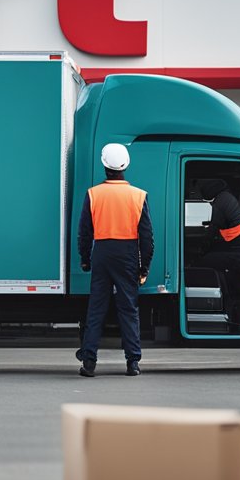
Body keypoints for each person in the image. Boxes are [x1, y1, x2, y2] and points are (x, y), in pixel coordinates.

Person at [76, 143, 154, 378]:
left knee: (96, 309)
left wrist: (85, 260)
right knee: (128, 309)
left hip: (102, 252)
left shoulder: (93, 194)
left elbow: (84, 232)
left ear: (104, 165)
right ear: (125, 166)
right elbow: (147, 237)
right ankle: (133, 362)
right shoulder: (138, 196)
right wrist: (144, 266)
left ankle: (89, 362)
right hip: (127, 253)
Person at [196, 179, 240, 316]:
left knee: (204, 261)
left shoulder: (220, 202)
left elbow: (215, 227)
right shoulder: (226, 196)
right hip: (239, 245)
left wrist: (202, 248)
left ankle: (222, 297)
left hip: (239, 252)